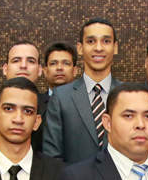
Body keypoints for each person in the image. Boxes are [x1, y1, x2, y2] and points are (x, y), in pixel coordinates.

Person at [43, 18, 123, 164]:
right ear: (80, 48)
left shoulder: (128, 95)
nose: (98, 48)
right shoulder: (61, 97)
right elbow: (52, 158)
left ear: (115, 47)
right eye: (91, 41)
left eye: (106, 41)